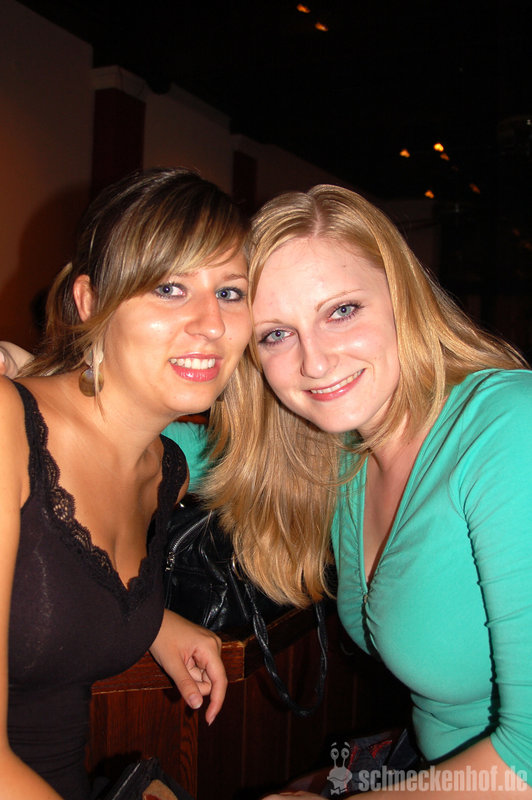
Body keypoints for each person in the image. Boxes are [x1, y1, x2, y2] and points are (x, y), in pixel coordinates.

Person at [168, 184, 532, 798]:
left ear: (402, 297)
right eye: (276, 334)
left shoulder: (508, 427)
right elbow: (190, 448)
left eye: (341, 311)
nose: (314, 362)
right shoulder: (340, 448)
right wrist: (47, 394)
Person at [0, 166, 252, 800]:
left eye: (230, 292)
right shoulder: (7, 428)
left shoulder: (165, 471)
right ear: (89, 303)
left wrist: (150, 622)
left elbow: (52, 587)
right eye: (169, 287)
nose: (211, 324)